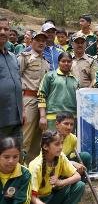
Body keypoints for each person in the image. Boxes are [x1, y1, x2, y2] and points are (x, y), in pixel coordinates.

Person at [18, 32, 50, 164]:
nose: (41, 43)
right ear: (31, 41)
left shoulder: (46, 62)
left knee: (38, 139)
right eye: (38, 40)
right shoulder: (24, 57)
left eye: (43, 41)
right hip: (27, 99)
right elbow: (16, 79)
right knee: (25, 137)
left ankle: (30, 168)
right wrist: (20, 106)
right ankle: (18, 168)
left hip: (42, 102)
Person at [29, 130, 85, 204]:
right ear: (45, 146)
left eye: (62, 143)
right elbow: (32, 197)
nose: (61, 147)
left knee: (80, 185)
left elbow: (77, 176)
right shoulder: (36, 166)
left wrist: (60, 182)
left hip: (51, 195)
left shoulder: (60, 156)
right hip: (38, 200)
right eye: (57, 144)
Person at [38, 52, 79, 130]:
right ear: (58, 62)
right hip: (53, 117)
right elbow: (41, 95)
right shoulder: (50, 76)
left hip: (71, 119)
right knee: (53, 141)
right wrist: (42, 117)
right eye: (63, 61)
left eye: (69, 61)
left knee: (69, 142)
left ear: (72, 63)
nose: (66, 63)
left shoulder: (75, 80)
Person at [0, 17, 23, 142]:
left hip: (16, 120)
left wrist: (22, 111)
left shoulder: (13, 57)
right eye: (0, 29)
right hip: (1, 121)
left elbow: (17, 85)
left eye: (6, 29)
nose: (3, 32)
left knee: (16, 159)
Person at [0, 137, 32, 204]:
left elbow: (23, 201)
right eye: (6, 157)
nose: (11, 161)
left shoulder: (25, 174)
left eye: (15, 157)